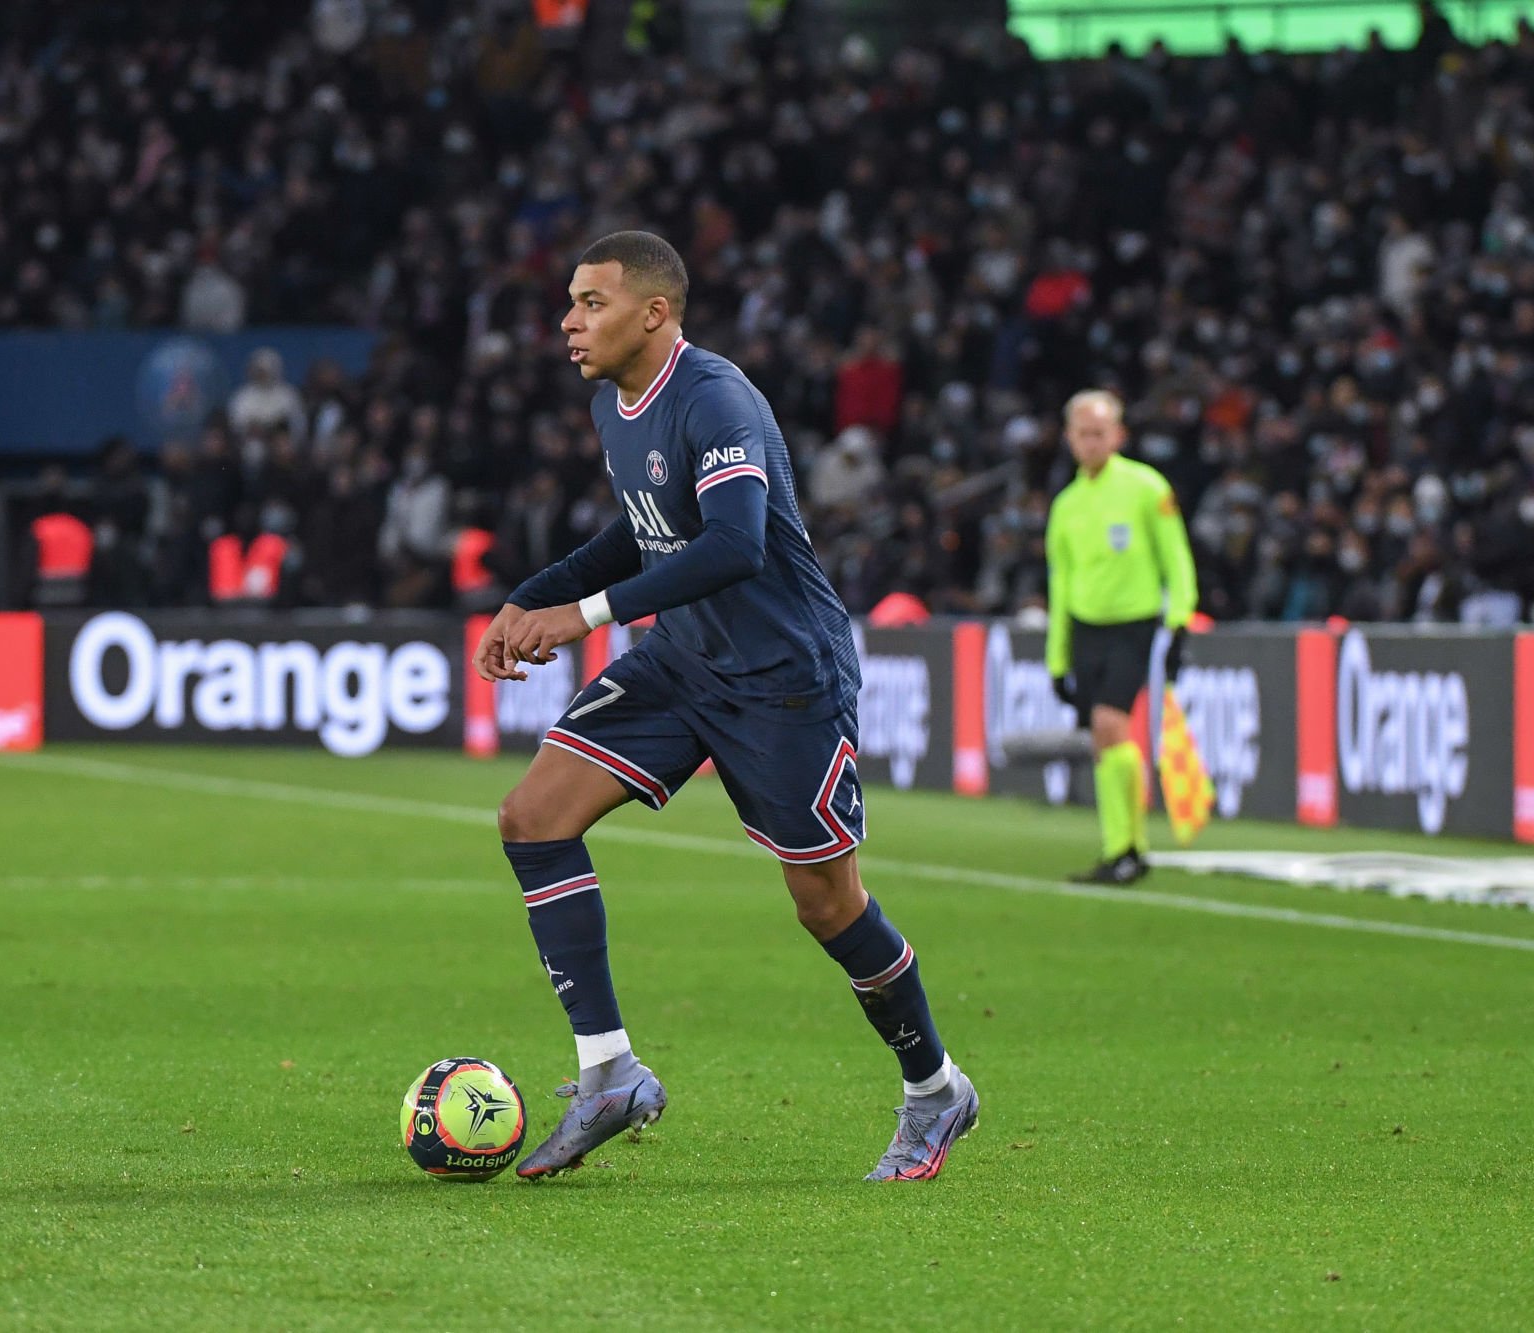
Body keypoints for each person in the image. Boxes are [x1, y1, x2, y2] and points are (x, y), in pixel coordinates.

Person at [473, 232, 978, 1182]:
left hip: (785, 678)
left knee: (827, 906)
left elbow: (736, 543)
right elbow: (644, 527)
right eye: (571, 301)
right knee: (532, 818)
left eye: (590, 303)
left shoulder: (716, 398)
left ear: (654, 313)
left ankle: (935, 1087)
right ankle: (610, 1073)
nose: (569, 321)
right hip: (685, 659)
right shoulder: (614, 402)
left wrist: (583, 615)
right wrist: (530, 595)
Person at [1044, 390, 1198, 885]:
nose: (1091, 442)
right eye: (1083, 434)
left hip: (1134, 625)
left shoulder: (1146, 487)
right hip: (1086, 629)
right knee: (1102, 740)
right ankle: (1123, 849)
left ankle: (1128, 847)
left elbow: (1176, 557)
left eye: (1100, 433)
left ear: (1118, 436)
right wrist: (1057, 658)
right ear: (1070, 438)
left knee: (1111, 725)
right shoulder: (1066, 505)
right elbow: (1061, 584)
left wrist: (1180, 619)